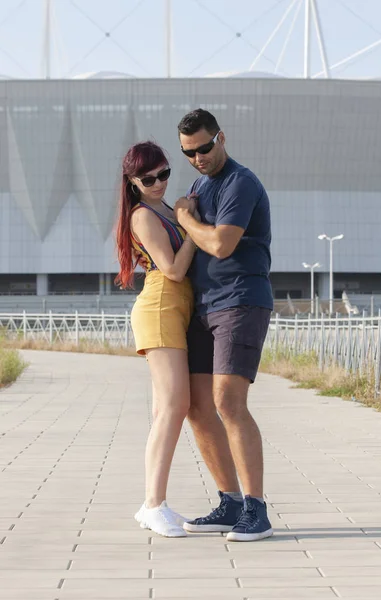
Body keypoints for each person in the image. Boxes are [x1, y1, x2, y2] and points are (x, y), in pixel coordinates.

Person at [174, 109, 274, 542]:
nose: (197, 157)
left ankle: (257, 511)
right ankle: (231, 502)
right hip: (204, 307)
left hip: (240, 301)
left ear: (221, 138)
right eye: (188, 153)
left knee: (228, 403)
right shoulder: (200, 184)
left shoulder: (241, 182)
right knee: (197, 408)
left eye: (204, 148)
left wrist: (185, 219)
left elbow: (219, 243)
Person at [115, 141, 197, 538]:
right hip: (161, 305)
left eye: (164, 173)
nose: (159, 183)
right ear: (132, 182)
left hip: (177, 309)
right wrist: (196, 231)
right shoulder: (143, 216)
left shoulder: (164, 208)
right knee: (173, 407)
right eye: (148, 178)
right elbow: (173, 270)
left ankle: (153, 502)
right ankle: (153, 505)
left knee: (169, 408)